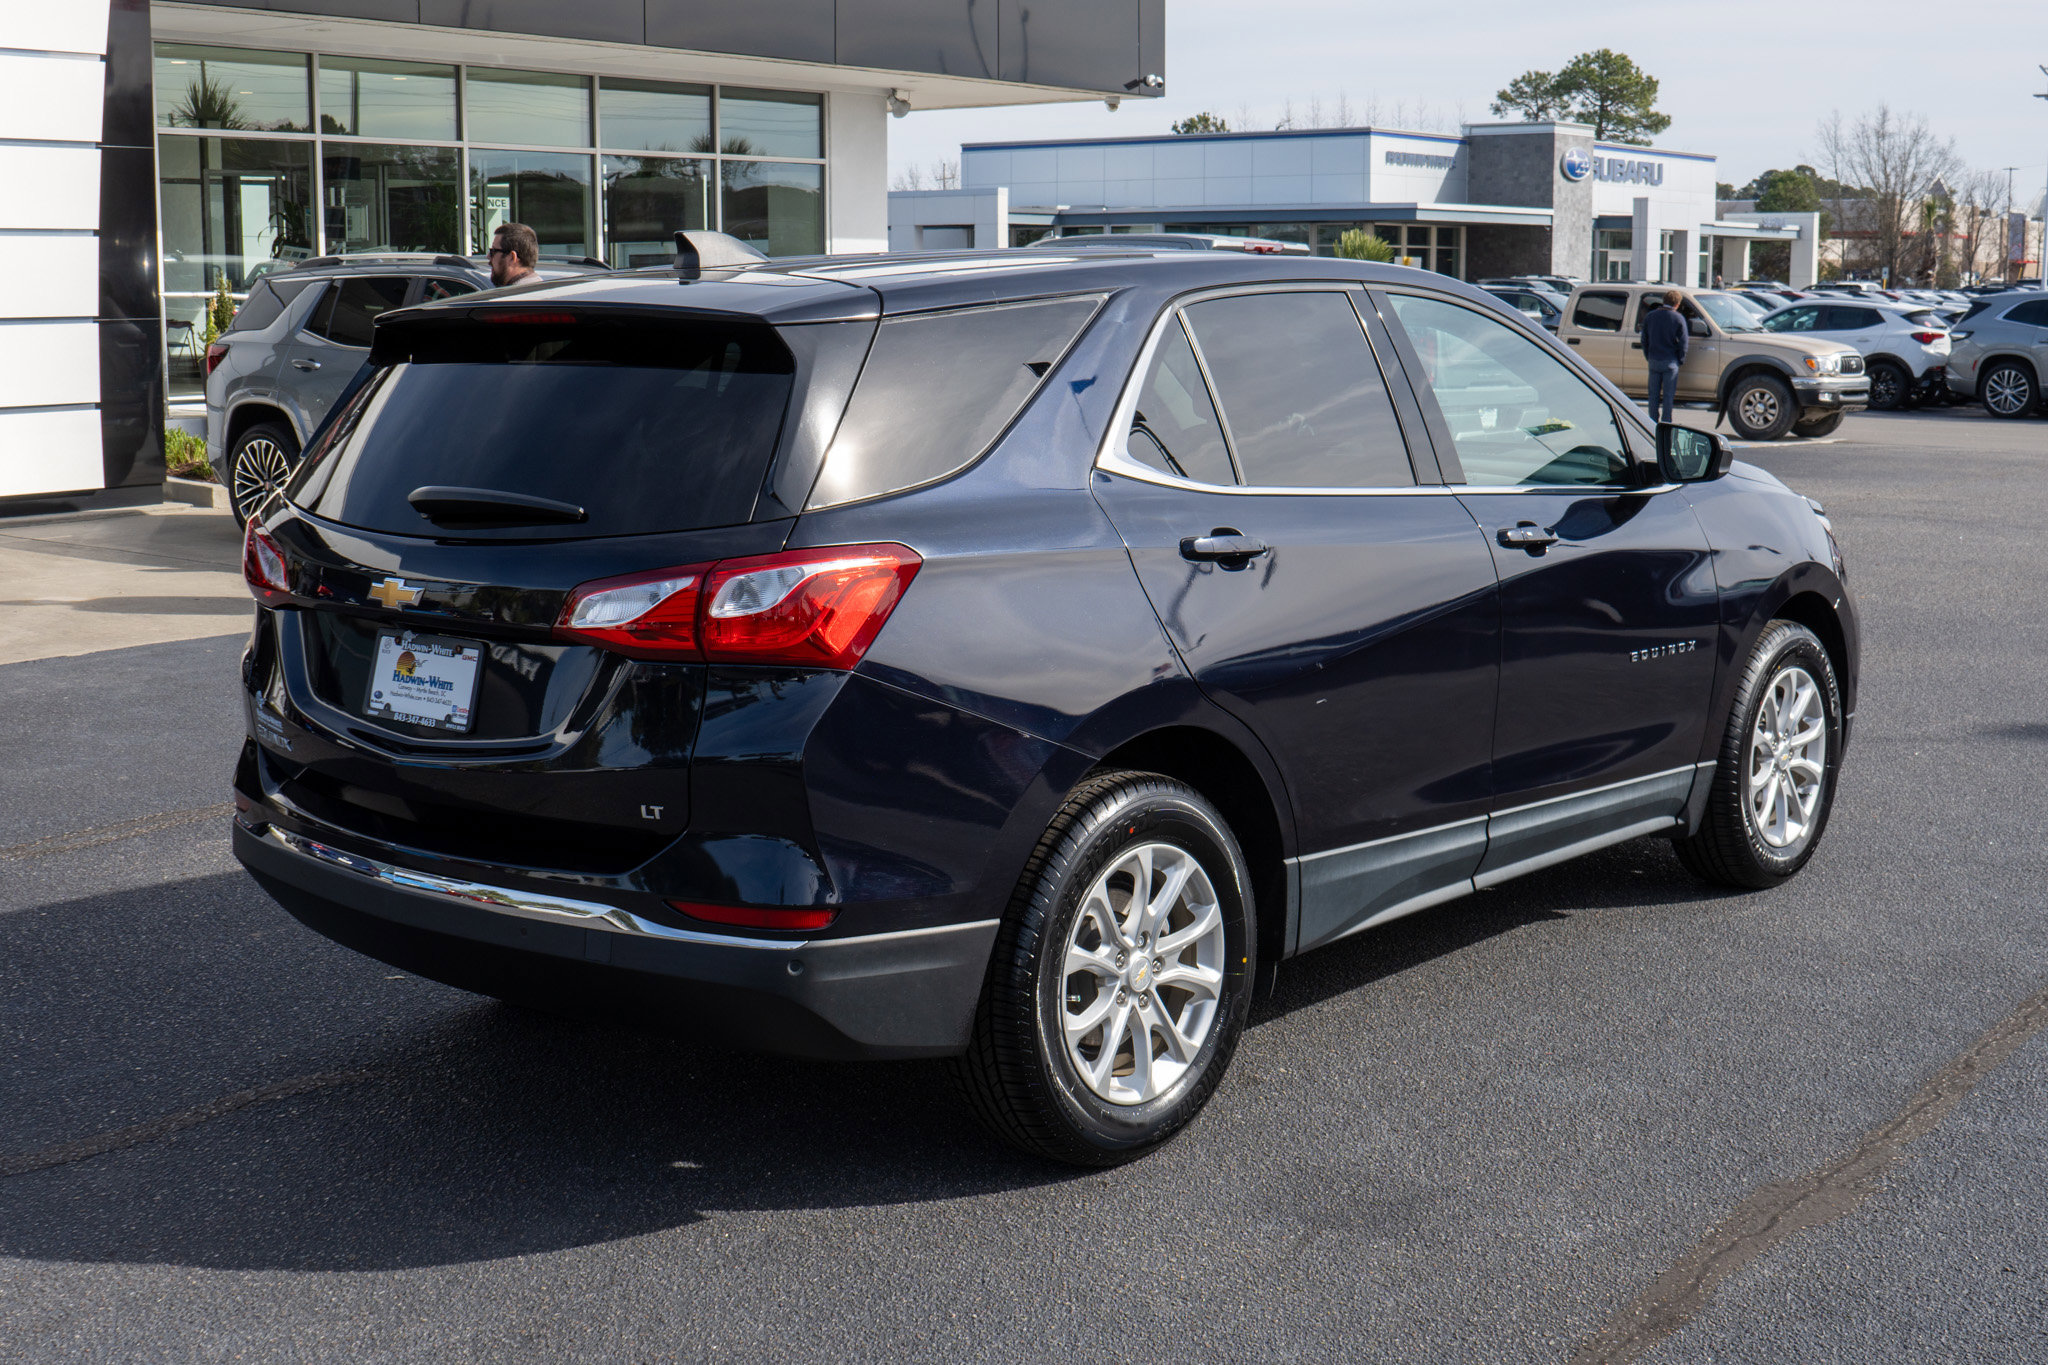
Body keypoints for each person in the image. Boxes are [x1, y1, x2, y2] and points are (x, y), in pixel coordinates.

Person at [1641, 288, 1689, 424]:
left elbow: (1644, 340)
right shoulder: (1678, 318)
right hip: (1671, 362)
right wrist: (1680, 359)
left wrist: (1648, 356)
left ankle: (1652, 423)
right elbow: (1684, 343)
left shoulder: (1651, 316)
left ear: (1664, 301)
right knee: (1668, 397)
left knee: (1653, 396)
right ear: (1677, 304)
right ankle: (1666, 424)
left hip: (1654, 360)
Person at [487, 222, 539, 288]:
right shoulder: (540, 288)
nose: (488, 256)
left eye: (494, 251)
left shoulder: (516, 296)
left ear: (512, 257)